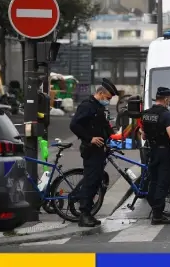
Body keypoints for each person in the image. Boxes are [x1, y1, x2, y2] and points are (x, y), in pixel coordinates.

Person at [70, 78, 118, 227]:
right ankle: (84, 215)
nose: (108, 101)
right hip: (91, 151)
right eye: (108, 98)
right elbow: (74, 125)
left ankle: (89, 213)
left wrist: (115, 135)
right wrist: (89, 138)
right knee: (90, 182)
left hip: (100, 151)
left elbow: (104, 126)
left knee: (96, 181)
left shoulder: (98, 107)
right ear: (100, 93)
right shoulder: (87, 106)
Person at [141, 87, 170, 225]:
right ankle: (157, 215)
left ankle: (154, 208)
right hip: (164, 152)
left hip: (152, 151)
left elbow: (143, 135)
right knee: (162, 183)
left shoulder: (146, 114)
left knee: (153, 181)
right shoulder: (166, 115)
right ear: (166, 99)